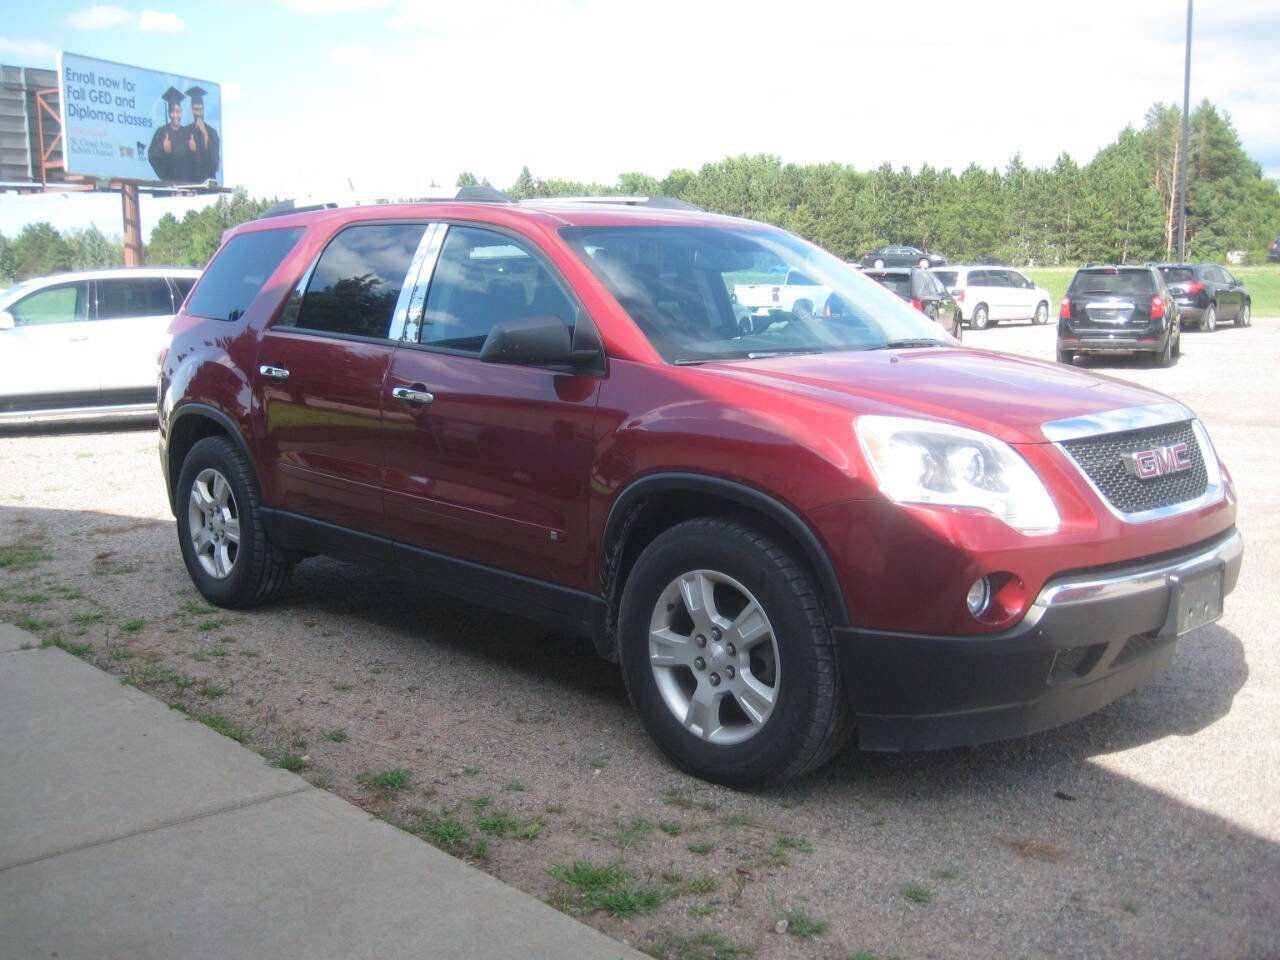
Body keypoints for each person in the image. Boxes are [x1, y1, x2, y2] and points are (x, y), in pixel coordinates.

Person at [182, 85, 221, 183]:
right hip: (189, 182)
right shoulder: (185, 131)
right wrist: (192, 150)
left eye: (201, 109)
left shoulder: (212, 132)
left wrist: (205, 135)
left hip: (208, 183)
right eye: (196, 109)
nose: (199, 113)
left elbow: (215, 163)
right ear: (191, 109)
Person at [146, 87, 186, 181]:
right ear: (169, 113)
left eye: (178, 112)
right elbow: (152, 155)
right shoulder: (161, 132)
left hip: (187, 182)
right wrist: (163, 149)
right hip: (168, 181)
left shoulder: (187, 133)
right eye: (173, 112)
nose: (176, 115)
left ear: (182, 113)